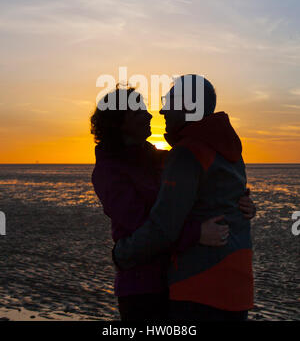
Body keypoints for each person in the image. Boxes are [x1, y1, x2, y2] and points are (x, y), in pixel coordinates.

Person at [91, 86, 255, 321]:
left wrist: (243, 203)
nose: (150, 115)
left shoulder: (161, 157)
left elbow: (208, 188)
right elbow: (145, 225)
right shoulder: (109, 172)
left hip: (175, 278)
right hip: (142, 286)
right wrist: (195, 233)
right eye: (139, 112)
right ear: (118, 122)